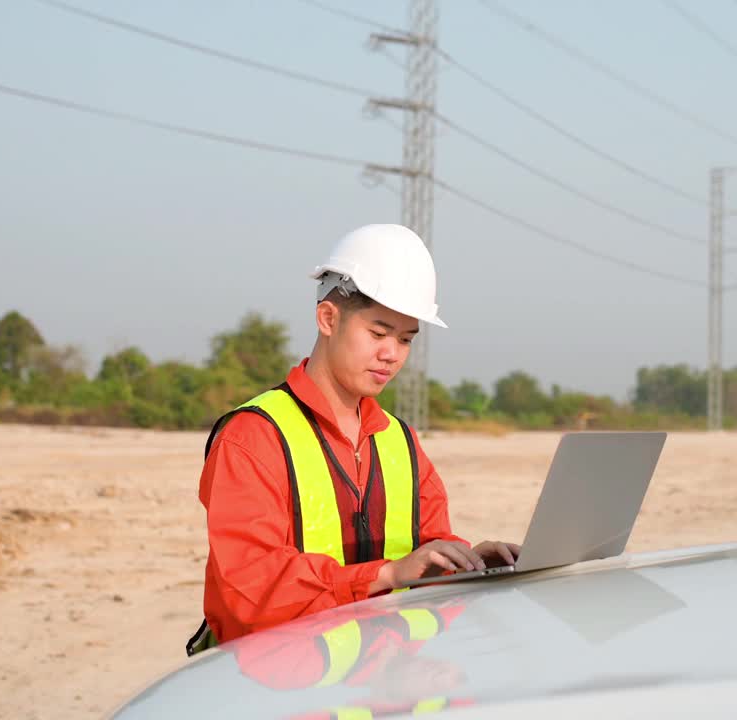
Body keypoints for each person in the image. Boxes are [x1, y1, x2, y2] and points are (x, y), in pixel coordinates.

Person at [188, 224, 519, 655]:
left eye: (405, 339)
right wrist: (386, 575)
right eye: (378, 334)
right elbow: (250, 590)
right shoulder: (253, 436)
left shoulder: (400, 441)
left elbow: (425, 551)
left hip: (377, 684)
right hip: (266, 691)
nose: (392, 354)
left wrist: (468, 566)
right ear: (328, 318)